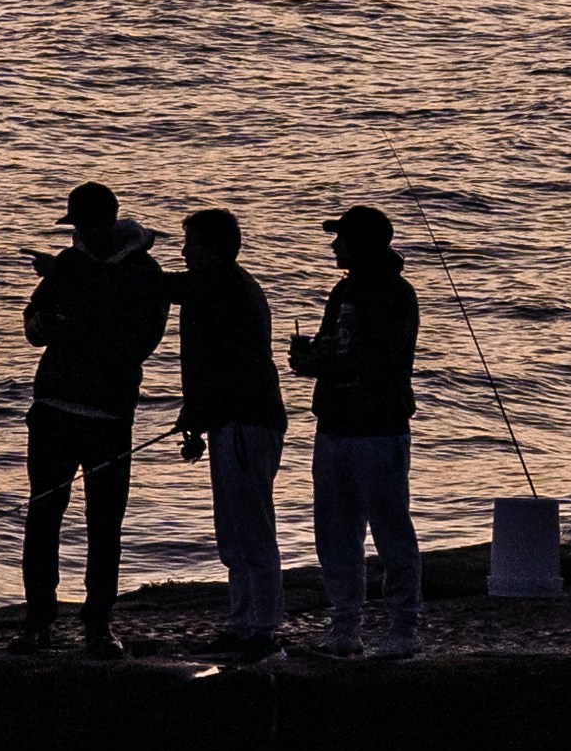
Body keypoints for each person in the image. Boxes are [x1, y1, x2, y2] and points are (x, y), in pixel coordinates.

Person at [18, 182, 170, 655]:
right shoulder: (68, 265)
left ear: (110, 223)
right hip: (52, 409)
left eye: (87, 225)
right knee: (43, 517)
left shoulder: (143, 272)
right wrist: (41, 326)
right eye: (76, 226)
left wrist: (77, 323)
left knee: (105, 523)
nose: (80, 233)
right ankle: (38, 621)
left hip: (109, 414)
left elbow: (141, 342)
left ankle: (98, 623)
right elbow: (32, 322)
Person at [296, 204, 424, 655]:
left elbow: (374, 358)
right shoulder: (343, 292)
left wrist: (322, 363)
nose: (334, 245)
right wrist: (312, 360)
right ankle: (345, 628)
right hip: (335, 426)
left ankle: (403, 628)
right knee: (334, 532)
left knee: (390, 530)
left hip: (379, 429)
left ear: (363, 244)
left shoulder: (396, 294)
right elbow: (337, 347)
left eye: (342, 238)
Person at [171, 206, 288, 664]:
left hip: (246, 421)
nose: (184, 253)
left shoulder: (222, 285)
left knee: (251, 529)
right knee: (234, 531)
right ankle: (243, 623)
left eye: (191, 244)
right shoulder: (223, 286)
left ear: (213, 250)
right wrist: (197, 414)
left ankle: (264, 627)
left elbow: (161, 286)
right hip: (233, 419)